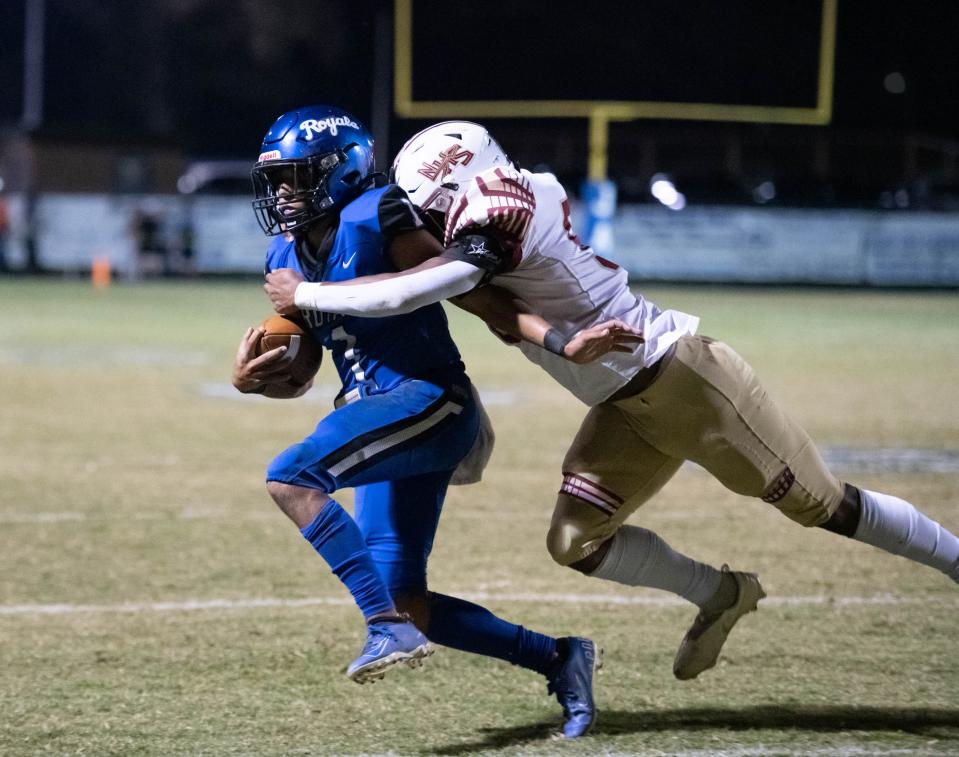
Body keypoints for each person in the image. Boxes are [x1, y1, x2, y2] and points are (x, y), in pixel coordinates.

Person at [264, 120, 959, 683]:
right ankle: (720, 593)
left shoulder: (501, 201)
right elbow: (495, 308)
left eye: (431, 206)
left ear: (460, 181)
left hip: (682, 376)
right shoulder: (475, 205)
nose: (425, 222)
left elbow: (424, 286)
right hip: (623, 406)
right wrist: (563, 343)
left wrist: (311, 296)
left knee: (821, 505)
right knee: (574, 541)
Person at [232, 105, 609, 738]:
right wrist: (249, 379)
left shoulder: (378, 213)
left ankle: (383, 631)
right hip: (376, 413)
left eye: (295, 177)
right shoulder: (283, 254)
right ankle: (561, 657)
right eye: (276, 180)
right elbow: (300, 373)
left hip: (429, 401)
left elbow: (474, 292)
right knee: (406, 597)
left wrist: (562, 342)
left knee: (291, 476)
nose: (283, 193)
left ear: (340, 170)